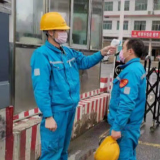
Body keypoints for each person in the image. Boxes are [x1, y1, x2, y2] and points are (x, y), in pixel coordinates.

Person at [30, 12, 116, 160]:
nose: (65, 33)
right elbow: (41, 89)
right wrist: (48, 116)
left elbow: (85, 62)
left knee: (63, 149)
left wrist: (101, 53)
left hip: (69, 108)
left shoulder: (67, 51)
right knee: (52, 152)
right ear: (50, 32)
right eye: (61, 30)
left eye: (65, 30)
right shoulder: (42, 55)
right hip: (56, 112)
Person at [108, 38, 146, 160]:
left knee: (123, 155)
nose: (121, 51)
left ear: (130, 51)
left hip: (125, 126)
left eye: (123, 48)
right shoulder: (136, 67)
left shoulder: (131, 71)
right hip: (130, 124)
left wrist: (117, 127)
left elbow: (127, 102)